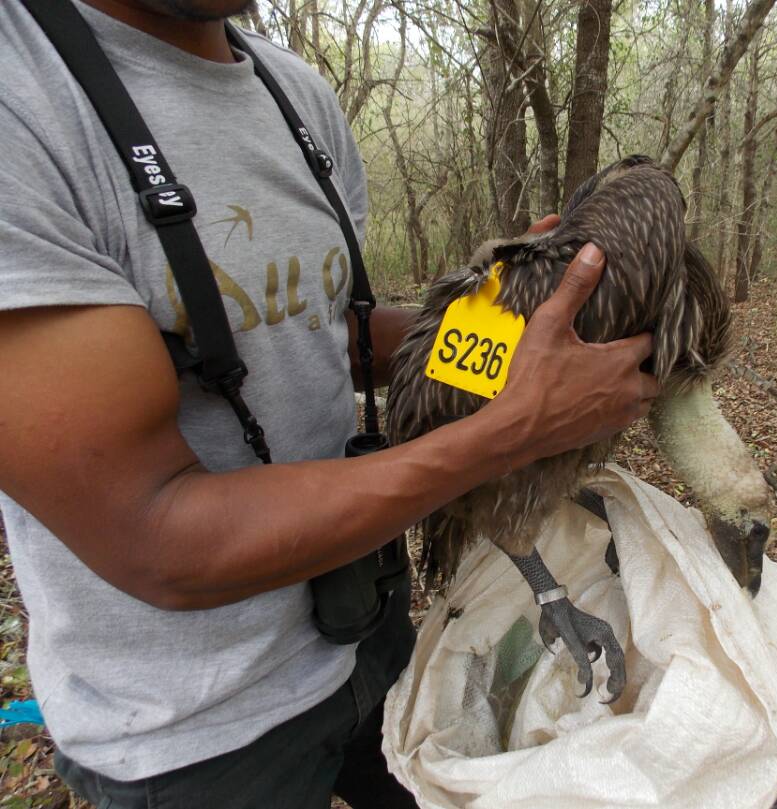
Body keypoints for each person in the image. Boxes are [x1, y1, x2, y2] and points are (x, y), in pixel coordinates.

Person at [0, 1, 659, 807]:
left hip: (367, 635)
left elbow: (322, 330)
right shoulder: (24, 100)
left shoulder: (294, 95)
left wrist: (509, 324)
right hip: (192, 736)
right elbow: (155, 533)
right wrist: (516, 425)